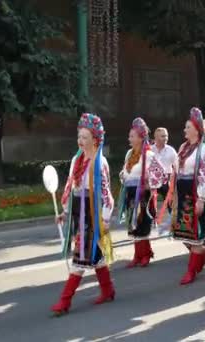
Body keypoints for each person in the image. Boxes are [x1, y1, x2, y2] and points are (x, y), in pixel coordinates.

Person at [51, 113, 115, 315]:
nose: (80, 140)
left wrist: (104, 219)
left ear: (95, 140)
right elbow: (72, 188)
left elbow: (106, 195)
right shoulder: (76, 160)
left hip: (92, 214)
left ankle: (65, 302)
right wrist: (66, 212)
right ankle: (108, 290)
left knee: (79, 259)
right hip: (79, 211)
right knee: (95, 255)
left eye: (85, 137)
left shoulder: (99, 163)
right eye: (79, 136)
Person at [171, 107, 205, 285]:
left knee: (195, 234)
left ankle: (191, 270)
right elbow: (177, 169)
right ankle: (203, 256)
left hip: (195, 193)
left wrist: (202, 198)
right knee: (187, 234)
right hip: (183, 193)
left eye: (188, 127)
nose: (185, 130)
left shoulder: (204, 150)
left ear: (197, 130)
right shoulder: (183, 148)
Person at [118, 118, 165, 268]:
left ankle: (145, 254)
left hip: (142, 193)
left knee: (142, 222)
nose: (129, 138)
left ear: (140, 137)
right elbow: (125, 171)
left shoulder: (149, 155)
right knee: (133, 224)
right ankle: (137, 255)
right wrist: (123, 176)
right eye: (129, 136)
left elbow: (160, 174)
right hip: (130, 192)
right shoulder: (129, 154)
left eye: (132, 136)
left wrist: (149, 182)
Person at [151, 127, 178, 210]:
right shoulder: (149, 150)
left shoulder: (171, 150)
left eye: (166, 136)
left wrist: (175, 183)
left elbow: (177, 167)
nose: (166, 138)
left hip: (167, 180)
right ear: (156, 137)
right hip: (152, 180)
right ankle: (152, 220)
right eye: (163, 136)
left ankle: (173, 219)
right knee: (150, 204)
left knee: (171, 203)